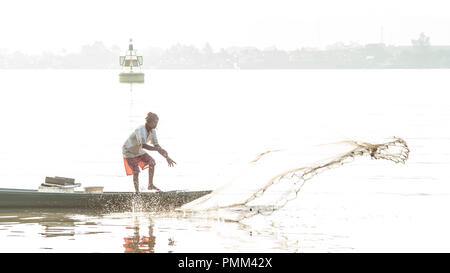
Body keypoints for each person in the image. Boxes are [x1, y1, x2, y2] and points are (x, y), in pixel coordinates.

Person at [122, 112, 176, 193]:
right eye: (155, 122)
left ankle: (150, 185)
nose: (156, 124)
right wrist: (157, 149)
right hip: (128, 150)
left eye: (157, 122)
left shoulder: (153, 131)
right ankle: (137, 192)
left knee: (152, 162)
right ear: (149, 122)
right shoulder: (140, 129)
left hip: (138, 150)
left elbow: (157, 146)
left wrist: (167, 157)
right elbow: (143, 145)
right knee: (136, 171)